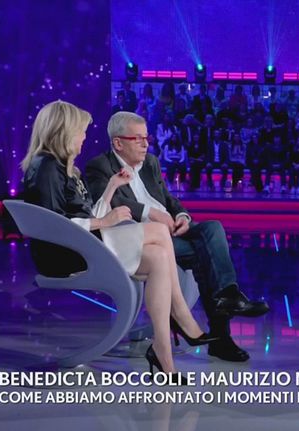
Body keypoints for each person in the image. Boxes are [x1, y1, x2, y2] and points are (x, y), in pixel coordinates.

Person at [20, 101, 216, 380]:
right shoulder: (47, 168)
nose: (84, 137)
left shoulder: (63, 167)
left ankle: (162, 352)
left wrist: (111, 187)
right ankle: (183, 317)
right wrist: (104, 222)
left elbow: (85, 214)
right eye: (80, 131)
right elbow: (55, 226)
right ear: (63, 132)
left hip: (83, 244)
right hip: (67, 254)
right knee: (160, 233)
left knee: (159, 257)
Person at [86, 111, 270, 362]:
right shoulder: (100, 166)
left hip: (169, 229)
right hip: (142, 238)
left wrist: (181, 215)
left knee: (213, 228)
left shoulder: (150, 162)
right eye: (138, 138)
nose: (145, 144)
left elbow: (168, 198)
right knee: (206, 257)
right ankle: (222, 334)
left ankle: (227, 294)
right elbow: (110, 203)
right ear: (118, 143)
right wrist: (151, 213)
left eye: (147, 138)